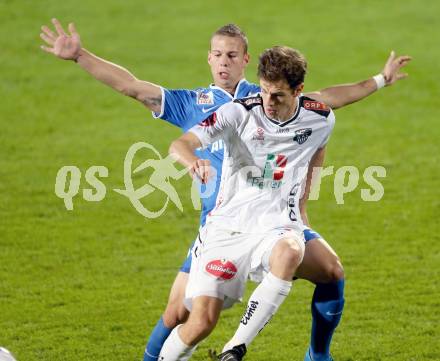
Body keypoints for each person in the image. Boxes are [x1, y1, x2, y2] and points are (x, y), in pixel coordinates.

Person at [39, 19, 411, 361]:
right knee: (182, 315)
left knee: (331, 270)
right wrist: (79, 57)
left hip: (274, 216)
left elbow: (324, 100)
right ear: (208, 58)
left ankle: (316, 355)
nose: (223, 62)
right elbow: (132, 87)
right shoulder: (195, 104)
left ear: (246, 60)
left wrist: (380, 79)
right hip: (220, 225)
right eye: (217, 54)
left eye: (232, 55)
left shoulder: (264, 95)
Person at [160, 45, 339, 360]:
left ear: (298, 90)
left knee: (312, 261)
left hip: (277, 225)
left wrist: (302, 208)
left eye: (278, 95)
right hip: (228, 227)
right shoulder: (238, 111)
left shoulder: (321, 118)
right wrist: (191, 161)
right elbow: (181, 143)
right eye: (265, 91)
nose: (268, 102)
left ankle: (236, 349)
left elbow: (316, 152)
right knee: (200, 322)